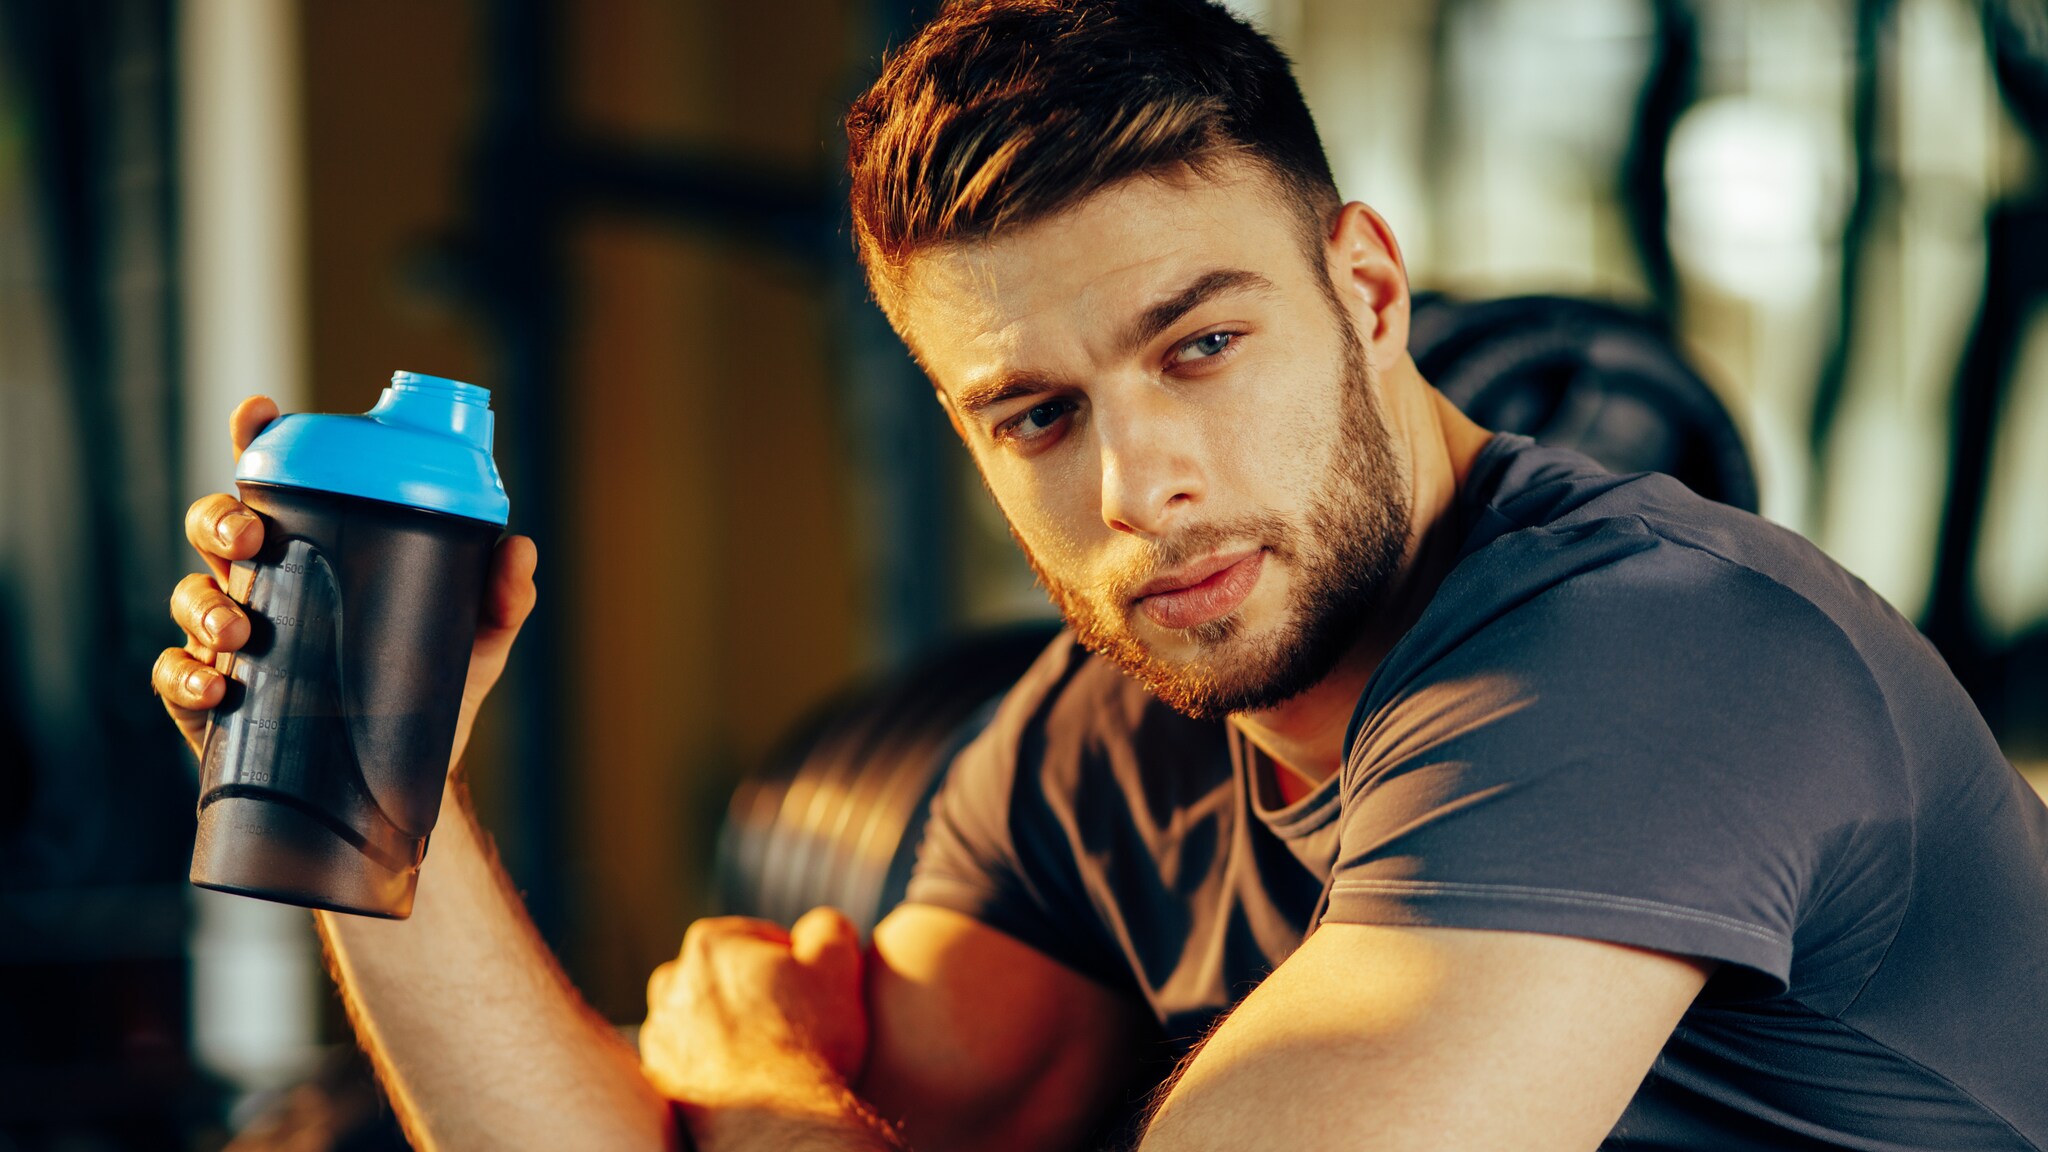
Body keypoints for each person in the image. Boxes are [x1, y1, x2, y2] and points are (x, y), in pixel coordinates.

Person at [153, 1, 2048, 1149]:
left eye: (1199, 345)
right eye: (1036, 416)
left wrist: (750, 1094)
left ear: (1368, 292)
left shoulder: (1645, 659)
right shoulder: (1119, 722)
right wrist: (370, 795)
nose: (1145, 485)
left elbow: (742, 1120)